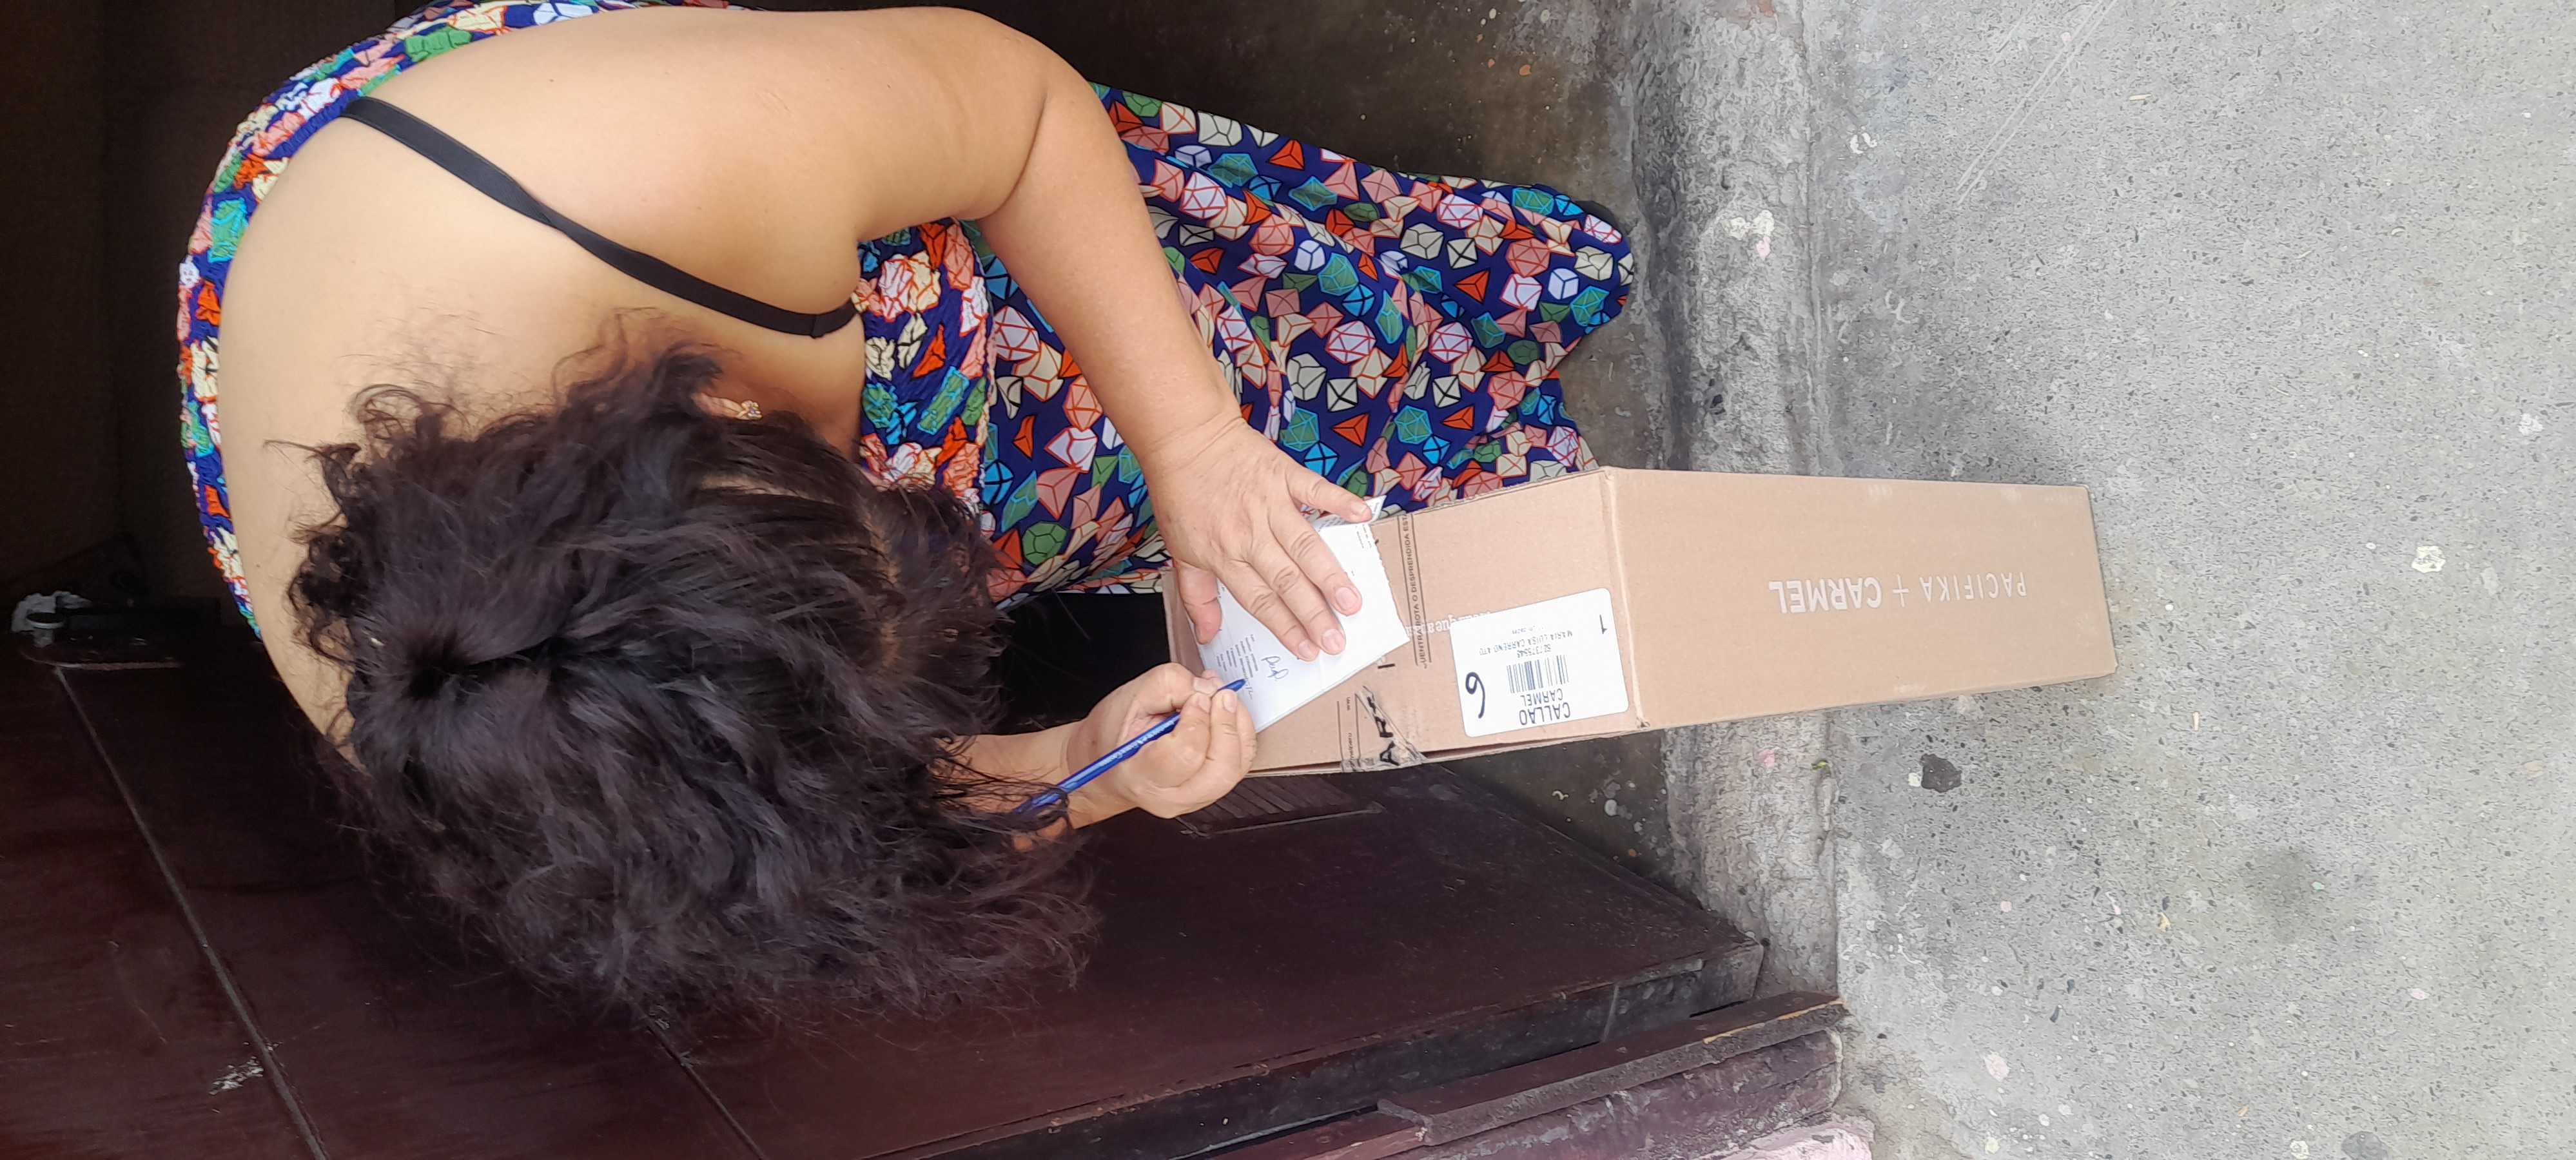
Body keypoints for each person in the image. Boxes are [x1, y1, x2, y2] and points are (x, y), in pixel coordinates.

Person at [179, 0, 1632, 1012]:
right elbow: (812, 807)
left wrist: (1194, 439)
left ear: (724, 423)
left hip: (561, 192)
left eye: (883, 544)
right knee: (1127, 471)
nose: (946, 552)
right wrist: (1083, 765)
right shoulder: (506, 737)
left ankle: (1382, 344)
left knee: (1198, 347)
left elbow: (1018, 117)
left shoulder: (640, 170)